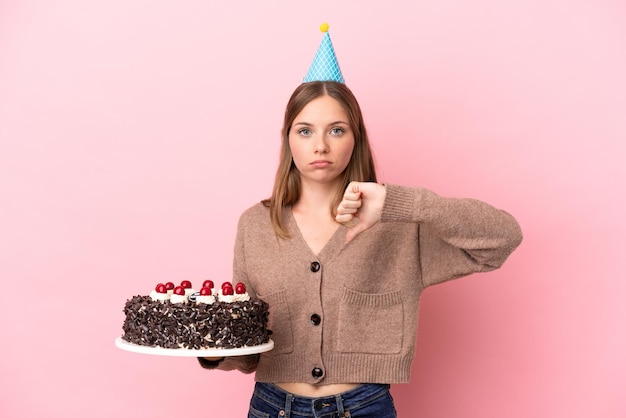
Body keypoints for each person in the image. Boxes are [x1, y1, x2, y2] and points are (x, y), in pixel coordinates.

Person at [199, 27, 523, 418]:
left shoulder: (396, 225)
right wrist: (216, 353)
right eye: (305, 131)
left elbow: (501, 239)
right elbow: (250, 348)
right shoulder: (256, 225)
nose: (321, 145)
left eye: (337, 130)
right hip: (272, 407)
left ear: (356, 138)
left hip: (363, 407)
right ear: (288, 141)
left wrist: (399, 202)